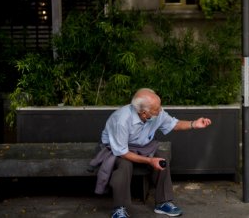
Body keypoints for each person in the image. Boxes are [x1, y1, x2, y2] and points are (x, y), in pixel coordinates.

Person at [90, 88, 212, 218]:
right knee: (124, 166)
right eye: (156, 109)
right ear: (144, 113)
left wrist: (194, 124)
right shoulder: (122, 120)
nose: (160, 110)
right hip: (118, 148)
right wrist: (149, 161)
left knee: (162, 158)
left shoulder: (156, 112)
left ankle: (163, 203)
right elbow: (122, 152)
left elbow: (173, 124)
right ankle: (119, 208)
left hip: (143, 146)